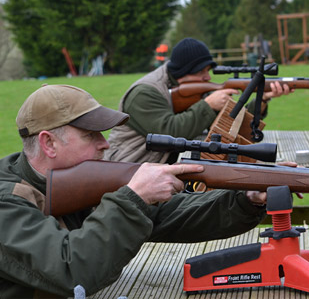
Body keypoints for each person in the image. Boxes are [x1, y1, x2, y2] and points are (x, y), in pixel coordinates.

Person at [0, 84, 269, 298]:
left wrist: (246, 198)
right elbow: (72, 273)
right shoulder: (6, 201)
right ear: (49, 143)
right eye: (90, 134)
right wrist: (134, 197)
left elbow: (170, 214)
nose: (104, 144)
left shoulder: (75, 183)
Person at [105, 37, 293, 164]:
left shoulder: (192, 92)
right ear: (182, 72)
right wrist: (208, 105)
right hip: (126, 169)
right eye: (200, 72)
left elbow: (233, 126)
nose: (207, 78)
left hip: (153, 169)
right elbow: (169, 133)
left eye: (207, 71)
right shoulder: (144, 93)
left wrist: (263, 98)